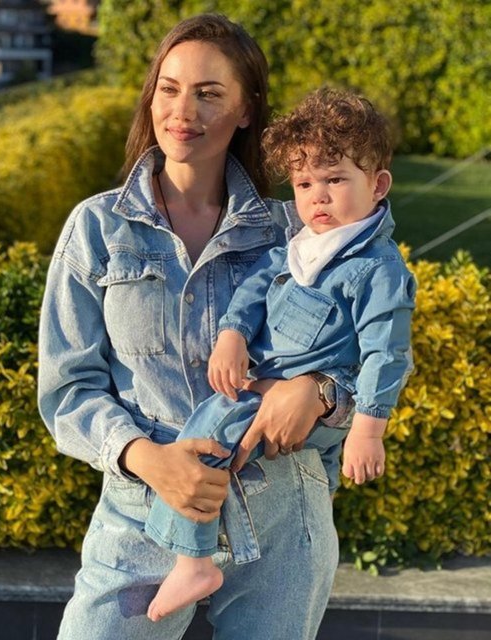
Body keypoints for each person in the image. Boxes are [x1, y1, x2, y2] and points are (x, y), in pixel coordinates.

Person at [38, 14, 342, 640]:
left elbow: (366, 354)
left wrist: (319, 393)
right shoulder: (97, 228)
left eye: (209, 94)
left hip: (281, 518)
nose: (183, 111)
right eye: (169, 89)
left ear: (246, 110)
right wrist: (146, 458)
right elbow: (67, 388)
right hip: (141, 514)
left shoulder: (295, 232)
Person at [144, 86, 416, 622]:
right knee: (225, 439)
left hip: (316, 403)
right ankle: (215, 549)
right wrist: (232, 335)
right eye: (305, 184)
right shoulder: (300, 247)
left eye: (335, 180)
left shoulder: (377, 268)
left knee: (209, 429)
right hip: (268, 387)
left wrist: (368, 429)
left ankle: (193, 560)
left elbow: (387, 351)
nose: (318, 197)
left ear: (378, 185)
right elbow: (254, 288)